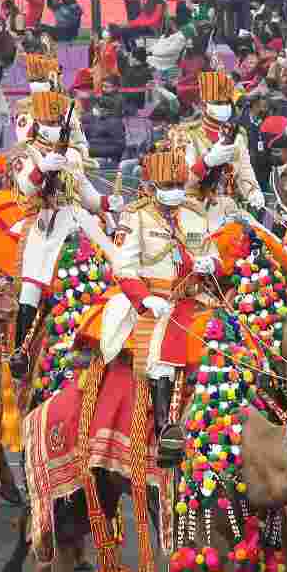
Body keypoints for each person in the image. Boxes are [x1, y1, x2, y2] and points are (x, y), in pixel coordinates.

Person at [83, 145, 216, 466]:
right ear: (151, 187)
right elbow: (124, 269)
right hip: (154, 301)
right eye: (166, 187)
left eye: (177, 186)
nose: (173, 193)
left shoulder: (194, 214)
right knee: (161, 356)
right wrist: (145, 299)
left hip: (194, 297)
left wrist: (211, 262)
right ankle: (164, 430)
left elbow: (207, 251)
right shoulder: (136, 217)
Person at [4, 90, 122, 380]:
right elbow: (28, 187)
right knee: (32, 286)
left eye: (58, 120)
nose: (54, 124)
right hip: (44, 222)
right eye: (49, 120)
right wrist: (43, 168)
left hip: (75, 218)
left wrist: (108, 203)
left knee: (115, 263)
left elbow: (87, 195)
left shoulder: (70, 154)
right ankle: (22, 349)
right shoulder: (25, 152)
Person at [167, 70, 265, 225]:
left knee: (265, 244)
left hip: (230, 211)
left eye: (227, 102)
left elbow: (245, 172)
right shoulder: (184, 135)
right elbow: (180, 183)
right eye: (218, 103)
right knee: (201, 247)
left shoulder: (238, 136)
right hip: (195, 211)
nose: (224, 107)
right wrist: (206, 162)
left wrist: (253, 192)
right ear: (204, 104)